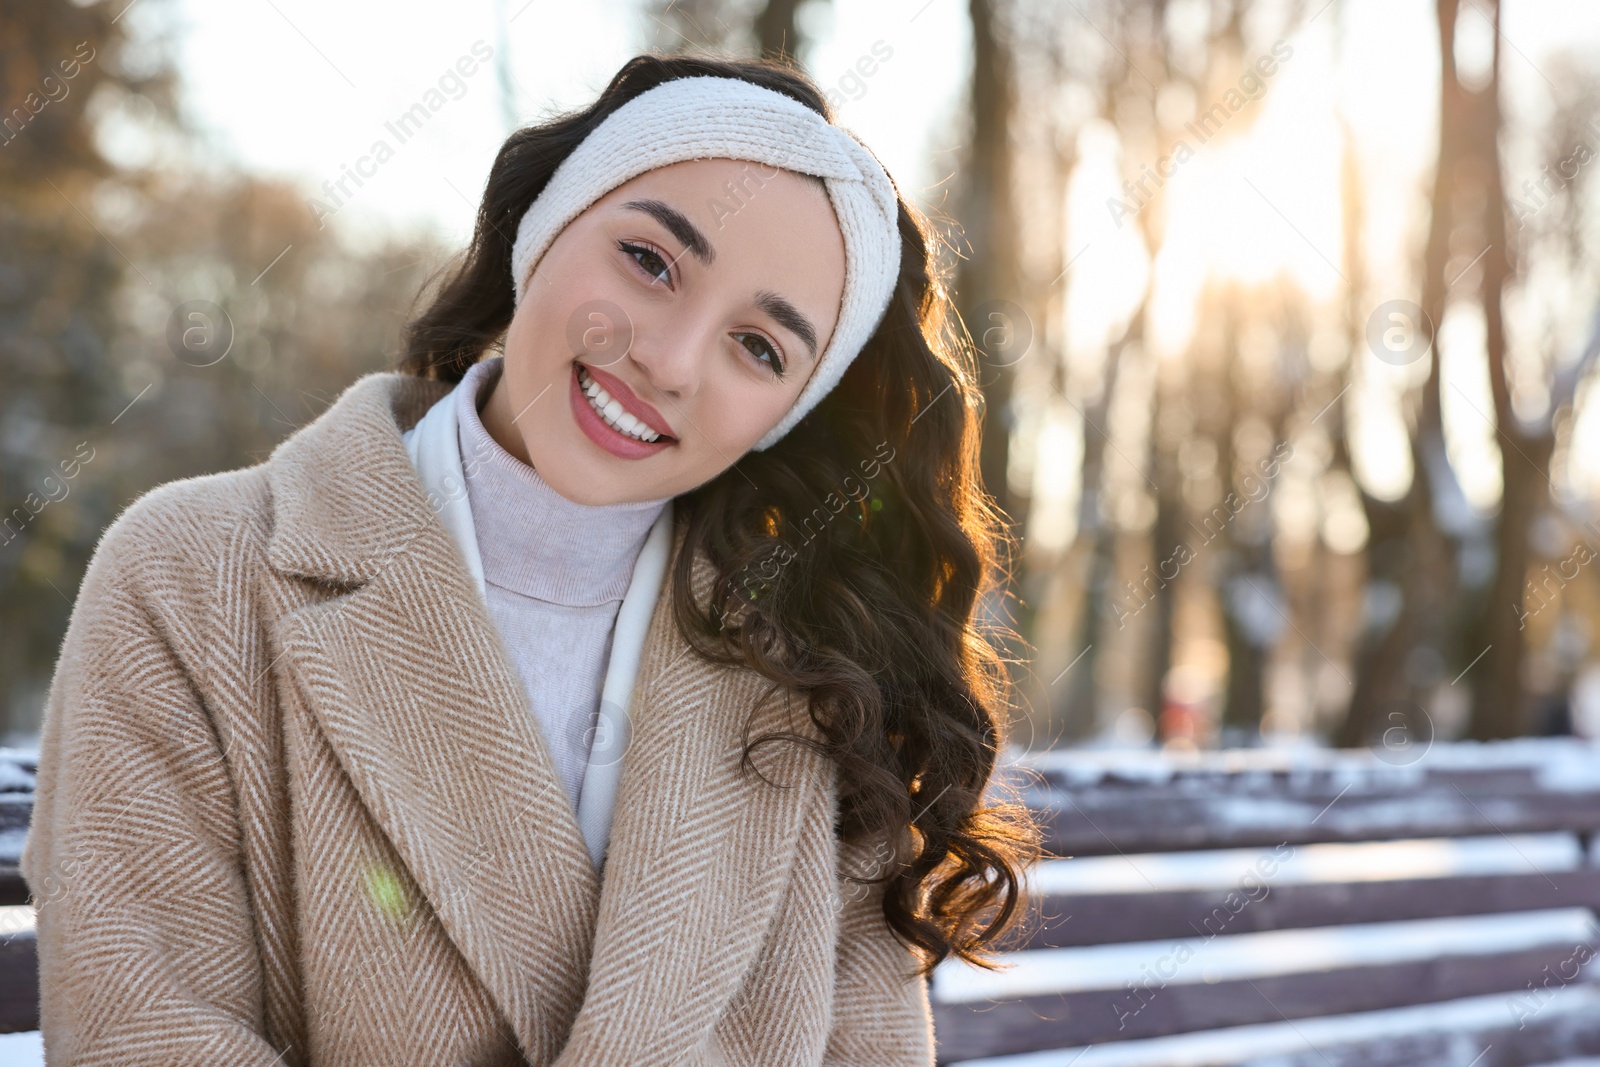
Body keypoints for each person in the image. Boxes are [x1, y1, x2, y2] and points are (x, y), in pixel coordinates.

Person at [22, 52, 1040, 1066]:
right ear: (548, 220)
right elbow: (137, 1025)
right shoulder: (193, 574)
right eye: (650, 260)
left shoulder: (819, 684)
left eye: (759, 348)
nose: (669, 358)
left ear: (789, 418)